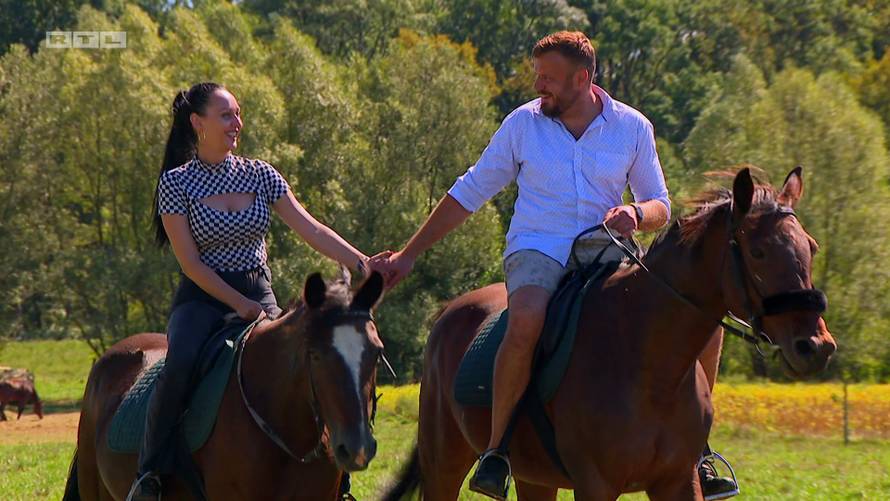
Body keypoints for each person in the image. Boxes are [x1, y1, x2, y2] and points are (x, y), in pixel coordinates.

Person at [372, 32, 737, 500]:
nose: (538, 85)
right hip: (538, 248)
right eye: (537, 75)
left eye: (548, 78)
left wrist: (637, 214)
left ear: (582, 79)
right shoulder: (523, 124)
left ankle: (697, 448)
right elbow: (469, 192)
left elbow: (661, 203)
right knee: (525, 321)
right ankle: (498, 451)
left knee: (704, 323)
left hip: (609, 251)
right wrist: (409, 253)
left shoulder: (633, 127)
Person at [128, 82, 375, 501]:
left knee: (310, 362)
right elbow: (190, 263)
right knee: (180, 364)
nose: (236, 123)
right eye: (226, 115)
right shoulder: (174, 184)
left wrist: (362, 263)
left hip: (260, 294)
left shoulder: (261, 174)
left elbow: (311, 228)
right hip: (202, 300)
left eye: (238, 114)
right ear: (197, 123)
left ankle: (339, 482)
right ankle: (149, 474)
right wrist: (237, 303)